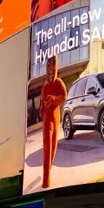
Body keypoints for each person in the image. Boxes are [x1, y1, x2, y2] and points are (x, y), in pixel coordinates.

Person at [39, 53, 67, 189]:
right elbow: (40, 106)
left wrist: (54, 99)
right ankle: (46, 180)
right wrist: (44, 108)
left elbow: (64, 96)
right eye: (48, 65)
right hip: (47, 120)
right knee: (47, 148)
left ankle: (48, 171)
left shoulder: (58, 82)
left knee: (53, 147)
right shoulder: (45, 87)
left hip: (55, 118)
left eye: (52, 64)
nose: (50, 68)